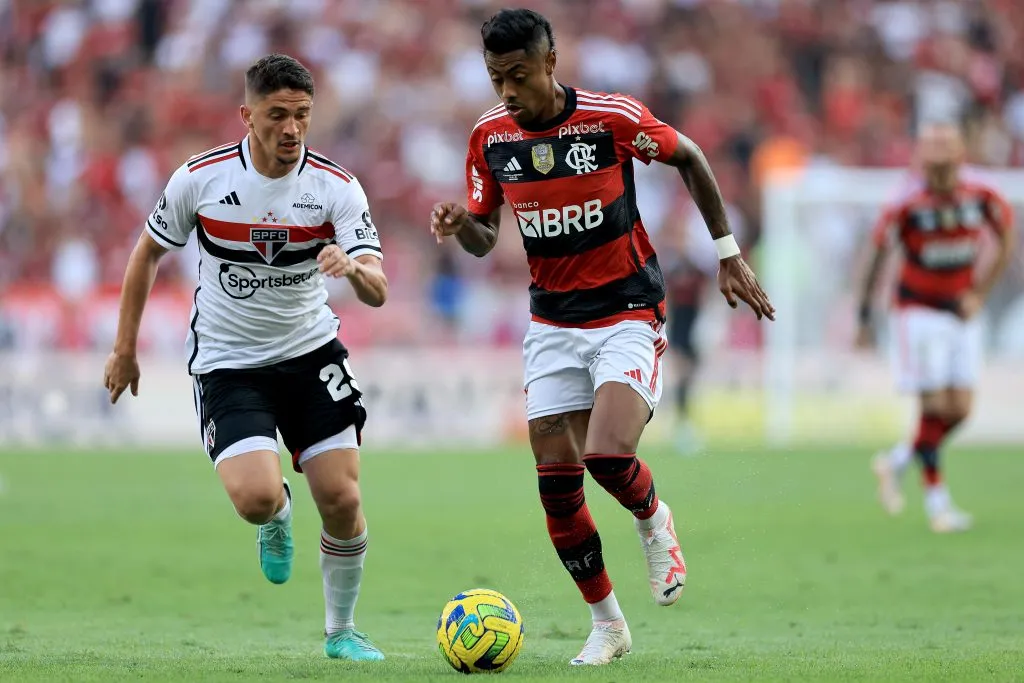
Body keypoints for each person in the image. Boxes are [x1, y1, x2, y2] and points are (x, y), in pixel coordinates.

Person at [430, 9, 774, 666]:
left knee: (607, 455)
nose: (507, 90)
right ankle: (608, 623)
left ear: (551, 63)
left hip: (626, 310)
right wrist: (458, 225)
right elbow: (481, 235)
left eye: (519, 75)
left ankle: (653, 520)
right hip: (552, 322)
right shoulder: (489, 137)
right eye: (496, 77)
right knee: (556, 485)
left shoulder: (608, 120)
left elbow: (690, 157)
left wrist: (727, 251)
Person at [102, 54, 389, 661]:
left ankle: (341, 632)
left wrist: (353, 269)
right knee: (256, 498)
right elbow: (145, 254)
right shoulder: (200, 179)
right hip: (230, 363)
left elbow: (379, 288)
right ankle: (276, 517)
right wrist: (125, 349)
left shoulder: (336, 187)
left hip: (312, 354)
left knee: (341, 499)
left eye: (302, 115)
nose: (291, 128)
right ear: (247, 115)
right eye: (277, 115)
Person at [858, 121, 1014, 533]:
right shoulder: (906, 202)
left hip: (961, 311)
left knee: (961, 410)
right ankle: (937, 504)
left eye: (947, 144)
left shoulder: (982, 195)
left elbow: (1005, 236)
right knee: (934, 407)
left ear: (962, 152)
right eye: (932, 146)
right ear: (920, 155)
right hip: (918, 312)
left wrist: (979, 292)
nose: (940, 154)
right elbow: (877, 255)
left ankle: (895, 462)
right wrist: (864, 314)